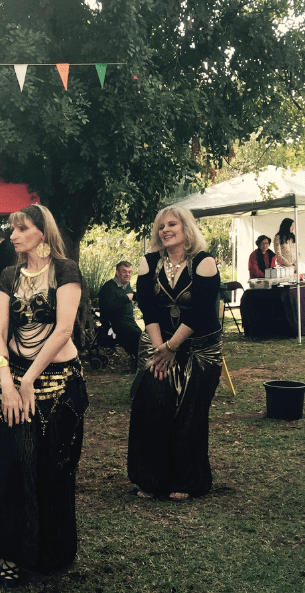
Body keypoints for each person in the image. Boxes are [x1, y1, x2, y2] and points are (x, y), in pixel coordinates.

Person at [0, 204, 88, 589]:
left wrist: (28, 379)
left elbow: (63, 330)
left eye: (21, 229)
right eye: (11, 229)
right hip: (15, 381)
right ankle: (13, 555)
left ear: (42, 233)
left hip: (59, 384)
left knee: (55, 468)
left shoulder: (65, 270)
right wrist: (6, 382)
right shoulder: (8, 275)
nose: (13, 236)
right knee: (15, 467)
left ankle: (52, 550)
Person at [128, 205, 222, 502]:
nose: (165, 230)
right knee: (153, 407)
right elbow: (149, 309)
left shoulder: (205, 262)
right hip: (160, 345)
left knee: (190, 414)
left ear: (186, 228)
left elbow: (199, 312)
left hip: (199, 349)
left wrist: (173, 347)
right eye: (161, 226)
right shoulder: (148, 263)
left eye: (172, 224)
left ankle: (186, 480)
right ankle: (151, 479)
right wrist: (161, 350)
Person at [98, 260, 141, 359]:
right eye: (124, 271)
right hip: (115, 324)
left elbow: (131, 295)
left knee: (144, 337)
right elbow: (107, 308)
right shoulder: (108, 287)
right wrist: (126, 298)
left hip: (129, 322)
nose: (128, 274)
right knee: (138, 337)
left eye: (130, 272)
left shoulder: (126, 286)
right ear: (117, 272)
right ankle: (138, 362)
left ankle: (138, 360)